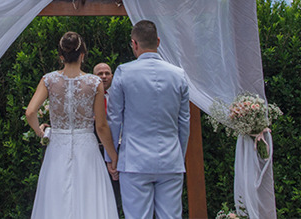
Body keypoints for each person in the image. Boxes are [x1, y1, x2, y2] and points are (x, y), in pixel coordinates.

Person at [26, 32, 119, 219]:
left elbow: (30, 112)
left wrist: (41, 133)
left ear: (61, 56)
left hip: (57, 146)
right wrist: (113, 156)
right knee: (89, 197)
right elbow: (101, 126)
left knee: (56, 198)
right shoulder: (94, 82)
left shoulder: (49, 80)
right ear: (82, 55)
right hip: (87, 148)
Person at [107, 20, 190, 219]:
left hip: (134, 161)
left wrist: (112, 156)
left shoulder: (123, 72)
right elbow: (184, 123)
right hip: (171, 160)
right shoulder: (179, 75)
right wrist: (179, 154)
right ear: (158, 41)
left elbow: (114, 118)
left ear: (134, 44)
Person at [94, 62, 123, 215]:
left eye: (107, 73)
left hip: (118, 150)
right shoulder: (87, 98)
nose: (104, 76)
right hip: (95, 150)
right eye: (100, 74)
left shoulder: (119, 96)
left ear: (112, 76)